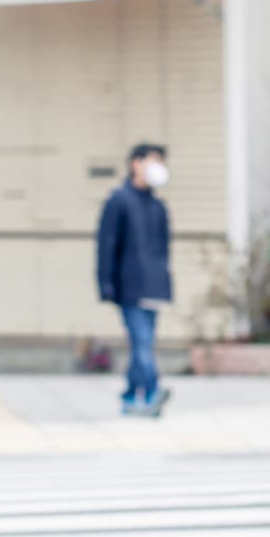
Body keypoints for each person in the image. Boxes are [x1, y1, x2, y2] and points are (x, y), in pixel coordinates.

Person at [97, 143, 174, 417]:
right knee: (142, 342)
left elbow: (163, 250)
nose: (158, 167)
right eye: (153, 161)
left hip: (154, 287)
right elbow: (107, 244)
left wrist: (166, 284)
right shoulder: (118, 200)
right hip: (129, 286)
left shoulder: (157, 206)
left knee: (143, 343)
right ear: (135, 164)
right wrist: (106, 283)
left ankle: (131, 395)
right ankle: (153, 390)